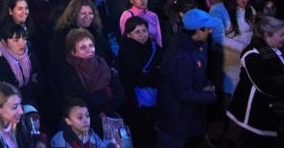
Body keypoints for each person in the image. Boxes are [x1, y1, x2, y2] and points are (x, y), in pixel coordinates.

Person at [156, 9, 217, 148]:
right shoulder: (180, 55)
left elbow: (200, 72)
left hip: (190, 114)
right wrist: (209, 97)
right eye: (208, 29)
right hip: (175, 118)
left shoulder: (200, 44)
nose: (211, 31)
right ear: (198, 31)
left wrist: (206, 84)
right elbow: (183, 92)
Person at [226, 15, 284, 143]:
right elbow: (264, 85)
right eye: (281, 35)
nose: (283, 38)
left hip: (271, 110)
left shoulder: (276, 50)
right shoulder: (252, 54)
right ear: (268, 35)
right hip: (254, 111)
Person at [57, 28, 124, 136]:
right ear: (73, 52)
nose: (90, 50)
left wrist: (106, 110)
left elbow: (119, 92)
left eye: (91, 45)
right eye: (83, 47)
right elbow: (76, 100)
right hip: (85, 124)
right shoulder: (68, 71)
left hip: (109, 118)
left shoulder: (102, 63)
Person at [118, 16, 162, 148]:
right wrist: (153, 74)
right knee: (141, 130)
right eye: (137, 31)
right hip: (135, 100)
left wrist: (149, 75)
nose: (142, 34)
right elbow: (132, 77)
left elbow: (162, 69)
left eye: (144, 30)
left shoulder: (155, 47)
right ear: (129, 34)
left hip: (155, 95)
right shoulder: (126, 52)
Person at [0, 23, 42, 108]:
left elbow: (37, 76)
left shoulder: (29, 52)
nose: (22, 43)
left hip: (31, 98)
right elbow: (7, 87)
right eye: (16, 40)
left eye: (24, 38)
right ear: (4, 42)